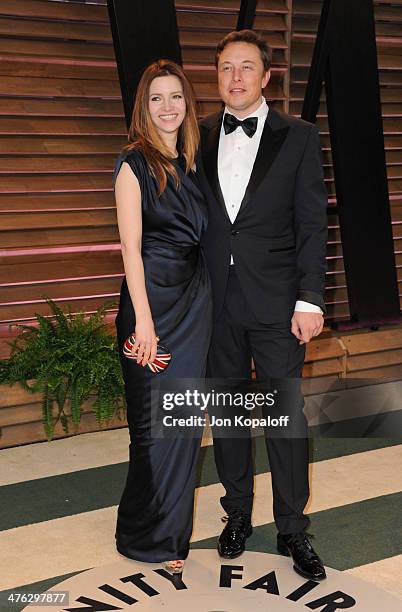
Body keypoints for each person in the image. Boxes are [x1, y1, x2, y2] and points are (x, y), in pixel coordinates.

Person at [197, 30, 328, 581]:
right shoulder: (197, 135)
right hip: (213, 305)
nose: (235, 78)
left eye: (246, 67)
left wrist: (310, 299)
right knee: (226, 415)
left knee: (285, 419)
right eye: (226, 67)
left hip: (278, 304)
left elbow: (311, 224)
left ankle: (293, 527)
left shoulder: (297, 137)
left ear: (266, 75)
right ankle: (237, 515)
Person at [113, 59, 212, 575]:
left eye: (176, 97)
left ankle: (166, 532)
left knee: (184, 423)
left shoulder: (193, 161)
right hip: (150, 303)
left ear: (186, 105)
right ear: (143, 107)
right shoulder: (134, 163)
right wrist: (144, 323)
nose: (167, 107)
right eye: (157, 98)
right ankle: (145, 535)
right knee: (153, 426)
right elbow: (131, 249)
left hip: (195, 304)